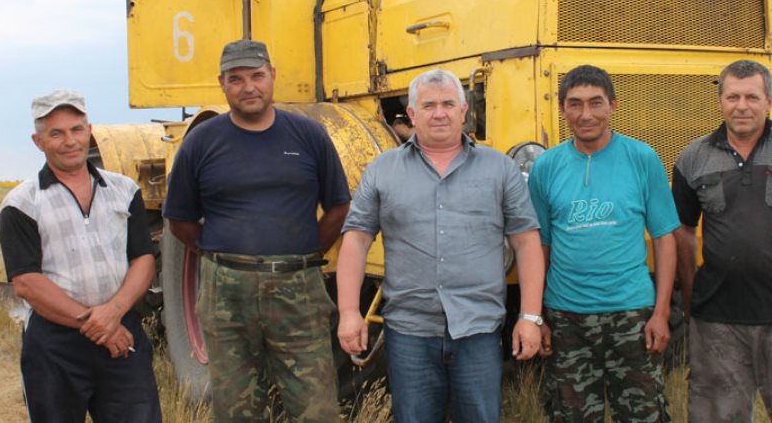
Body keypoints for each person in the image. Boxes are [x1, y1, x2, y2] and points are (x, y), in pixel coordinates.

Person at [337, 68, 544, 423]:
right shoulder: (383, 170)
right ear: (413, 115)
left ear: (464, 112)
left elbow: (527, 243)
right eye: (428, 105)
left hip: (478, 329)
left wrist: (529, 316)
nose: (439, 112)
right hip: (410, 331)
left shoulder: (499, 169)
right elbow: (355, 241)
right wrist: (349, 313)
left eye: (449, 103)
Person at [163, 39, 351, 422]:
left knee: (316, 409)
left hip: (298, 292)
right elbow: (179, 218)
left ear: (273, 77)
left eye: (257, 76)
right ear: (222, 83)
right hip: (226, 294)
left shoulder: (309, 136)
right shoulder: (201, 141)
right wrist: (219, 254)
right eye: (236, 79)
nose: (248, 87)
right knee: (235, 409)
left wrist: (302, 251)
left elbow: (338, 206)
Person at [0, 89, 161, 422]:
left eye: (76, 129)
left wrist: (112, 315)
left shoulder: (124, 190)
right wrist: (96, 324)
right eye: (56, 133)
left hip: (122, 336)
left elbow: (143, 259)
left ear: (89, 131)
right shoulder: (21, 205)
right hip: (55, 345)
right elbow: (27, 283)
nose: (69, 140)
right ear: (38, 141)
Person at [527, 64, 678, 422]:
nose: (586, 114)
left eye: (596, 103)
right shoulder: (546, 167)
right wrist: (537, 317)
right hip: (567, 320)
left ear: (613, 105)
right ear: (562, 109)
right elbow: (539, 247)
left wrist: (661, 312)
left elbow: (665, 238)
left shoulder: (642, 159)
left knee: (644, 415)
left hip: (632, 315)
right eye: (575, 104)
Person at [672, 59, 772, 422]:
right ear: (719, 102)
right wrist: (690, 293)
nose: (741, 106)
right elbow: (683, 231)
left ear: (768, 102)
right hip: (718, 319)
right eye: (732, 97)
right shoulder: (692, 158)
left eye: (751, 97)